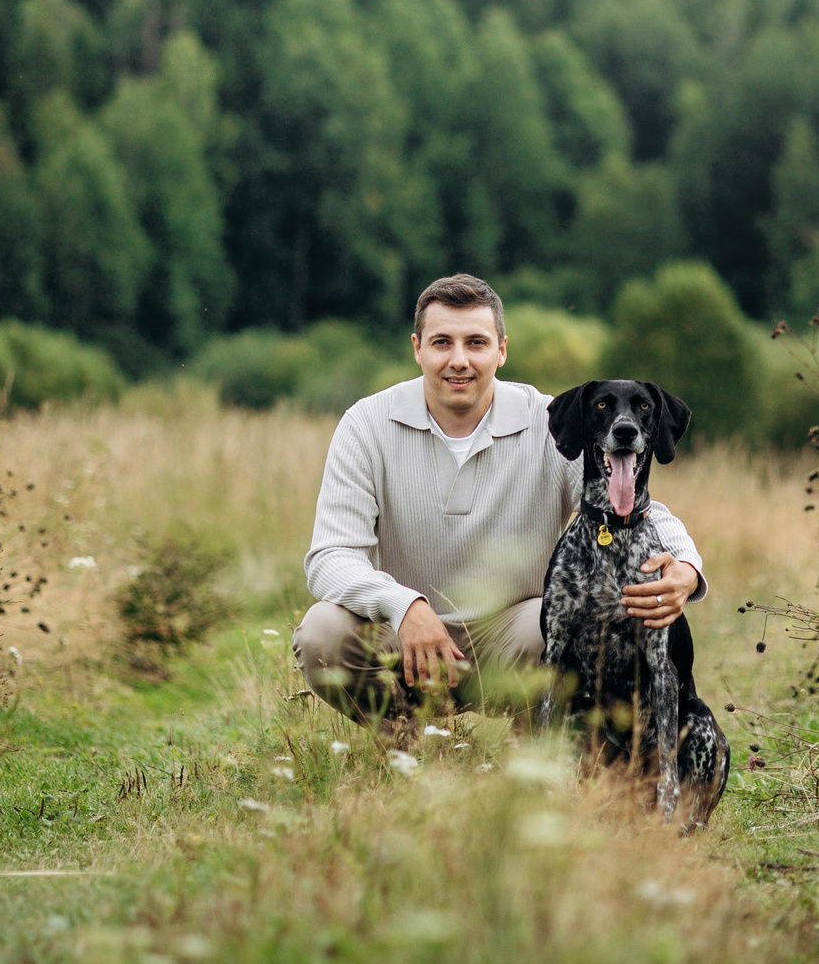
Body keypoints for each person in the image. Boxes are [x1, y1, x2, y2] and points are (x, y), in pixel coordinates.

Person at [294, 273, 706, 718]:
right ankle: (405, 739)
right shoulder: (366, 424)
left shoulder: (548, 422)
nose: (459, 360)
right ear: (417, 348)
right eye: (441, 343)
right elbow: (331, 556)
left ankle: (532, 745)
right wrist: (403, 605)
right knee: (322, 632)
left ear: (501, 350)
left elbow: (634, 507)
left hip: (514, 638)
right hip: (401, 636)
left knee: (571, 622)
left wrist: (686, 565)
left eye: (476, 343)